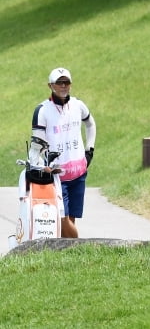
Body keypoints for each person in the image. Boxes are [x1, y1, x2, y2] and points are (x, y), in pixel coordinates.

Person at [29, 67, 96, 237]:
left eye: (66, 82)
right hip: (57, 176)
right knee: (62, 219)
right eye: (59, 83)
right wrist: (36, 165)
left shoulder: (78, 104)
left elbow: (90, 124)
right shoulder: (42, 110)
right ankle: (80, 247)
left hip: (79, 173)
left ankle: (68, 254)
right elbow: (37, 144)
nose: (63, 86)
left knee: (71, 219)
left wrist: (90, 149)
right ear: (50, 85)